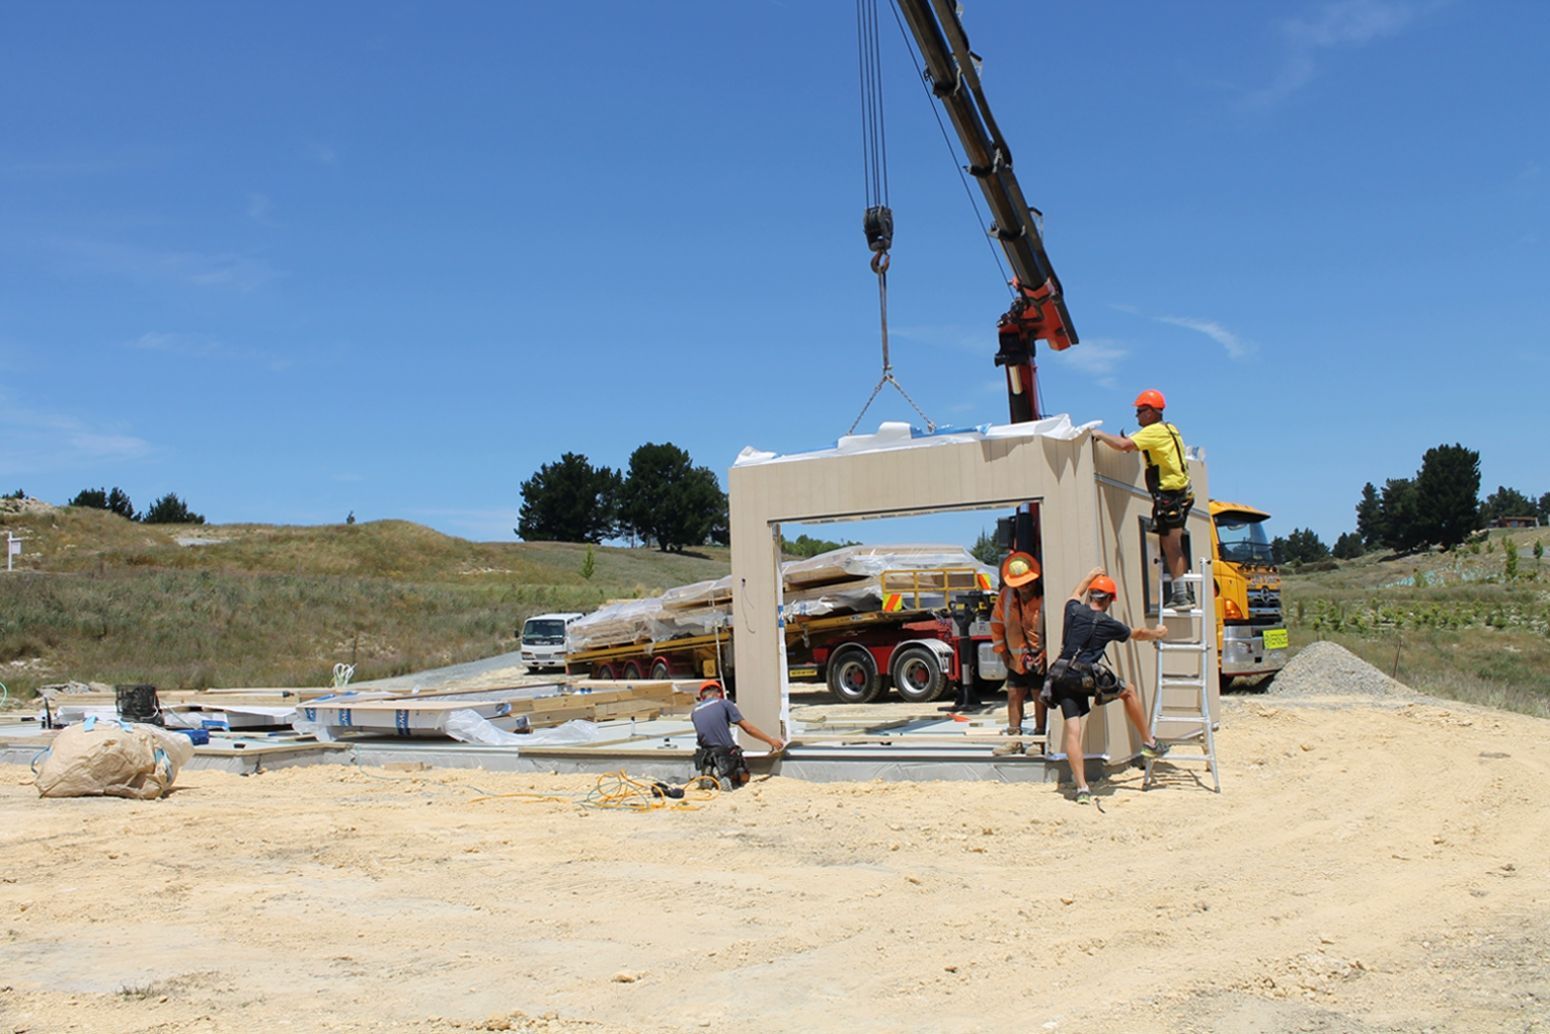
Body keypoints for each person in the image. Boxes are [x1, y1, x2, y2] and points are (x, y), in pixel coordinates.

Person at [1043, 567, 1171, 804]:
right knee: (1129, 691)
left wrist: (1090, 575)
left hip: (1060, 675)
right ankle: (1149, 742)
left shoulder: (1072, 610)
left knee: (1073, 730)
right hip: (1083, 676)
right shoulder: (1107, 623)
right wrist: (1158, 633)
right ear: (1110, 600)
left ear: (1091, 595)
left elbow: (1075, 592)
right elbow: (1139, 633)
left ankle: (1082, 788)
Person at [1092, 389, 1196, 610]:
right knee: (1172, 544)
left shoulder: (1153, 432)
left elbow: (1123, 446)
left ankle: (1181, 596)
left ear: (1151, 412)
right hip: (1180, 494)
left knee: (1171, 545)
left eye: (1140, 411)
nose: (1137, 416)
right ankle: (1182, 593)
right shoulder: (1170, 429)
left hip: (1170, 495)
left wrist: (1099, 435)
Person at [989, 551, 1047, 756]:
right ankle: (1014, 739)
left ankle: (1039, 740)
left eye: (1028, 582)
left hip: (1040, 657)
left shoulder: (1045, 597)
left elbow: (1057, 626)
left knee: (1039, 695)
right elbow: (996, 624)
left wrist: (1047, 653)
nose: (1025, 587)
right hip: (1016, 658)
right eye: (1021, 583)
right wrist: (1002, 651)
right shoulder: (1006, 597)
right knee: (1014, 694)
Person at [690, 680, 784, 788]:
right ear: (720, 694)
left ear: (702, 697)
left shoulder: (694, 711)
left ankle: (711, 770)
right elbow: (748, 729)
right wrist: (771, 741)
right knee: (744, 777)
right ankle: (725, 775)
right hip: (725, 751)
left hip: (705, 754)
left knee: (712, 753)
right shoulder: (724, 703)